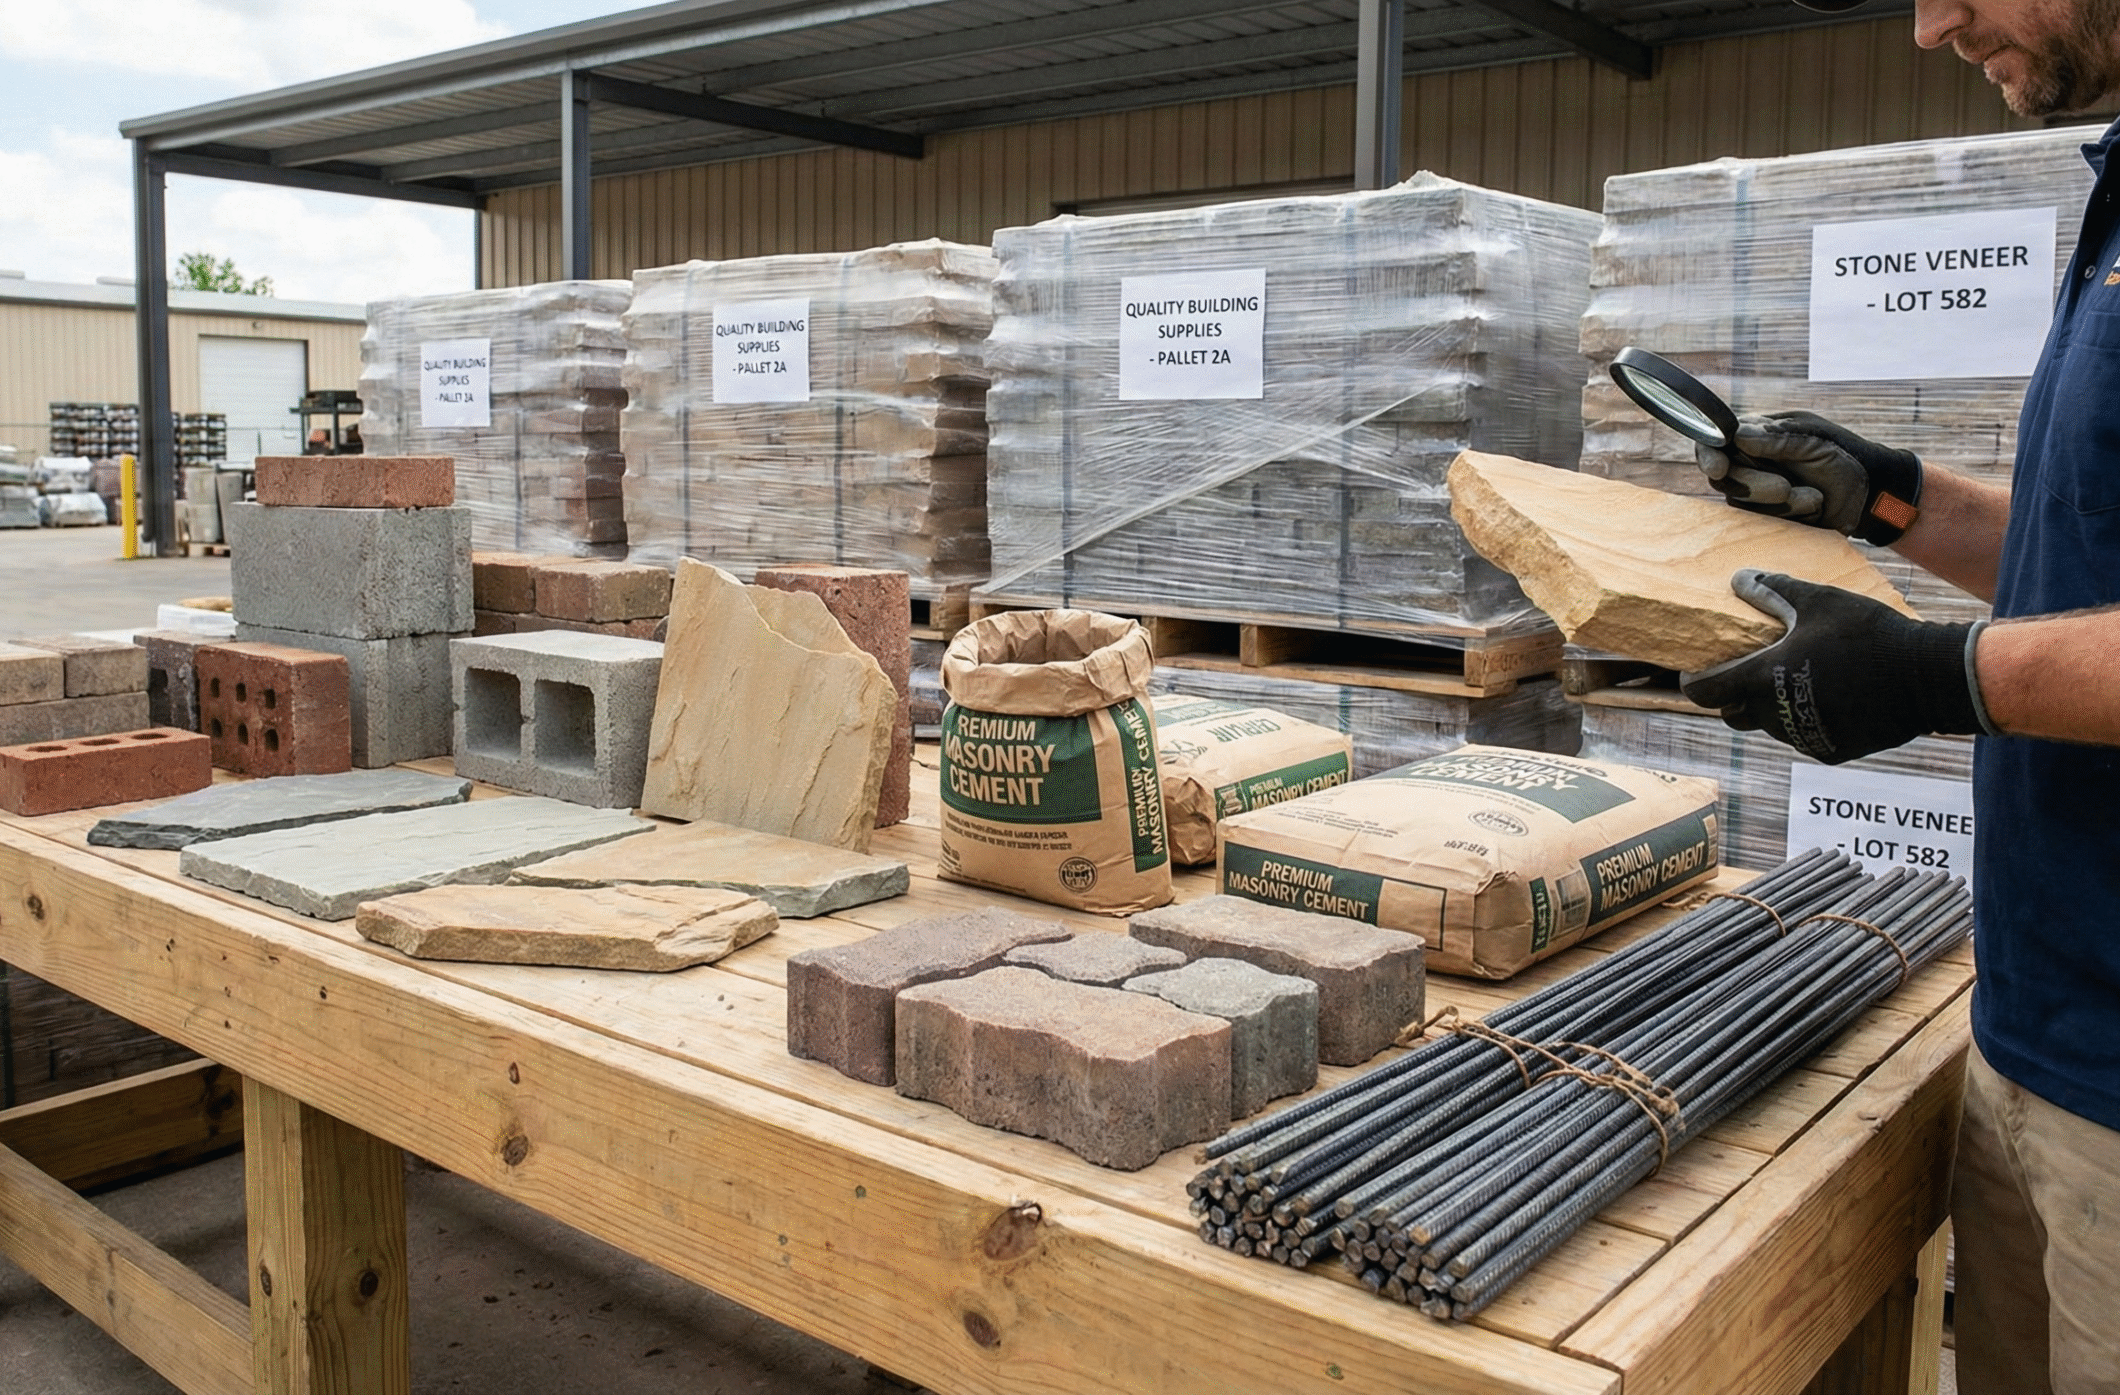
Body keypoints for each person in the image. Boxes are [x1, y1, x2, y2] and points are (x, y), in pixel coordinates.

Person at [1678, 0, 2120, 1387]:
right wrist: (1889, 498)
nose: (1932, 25)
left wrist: (1934, 674)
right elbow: (2079, 546)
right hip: (2035, 1032)